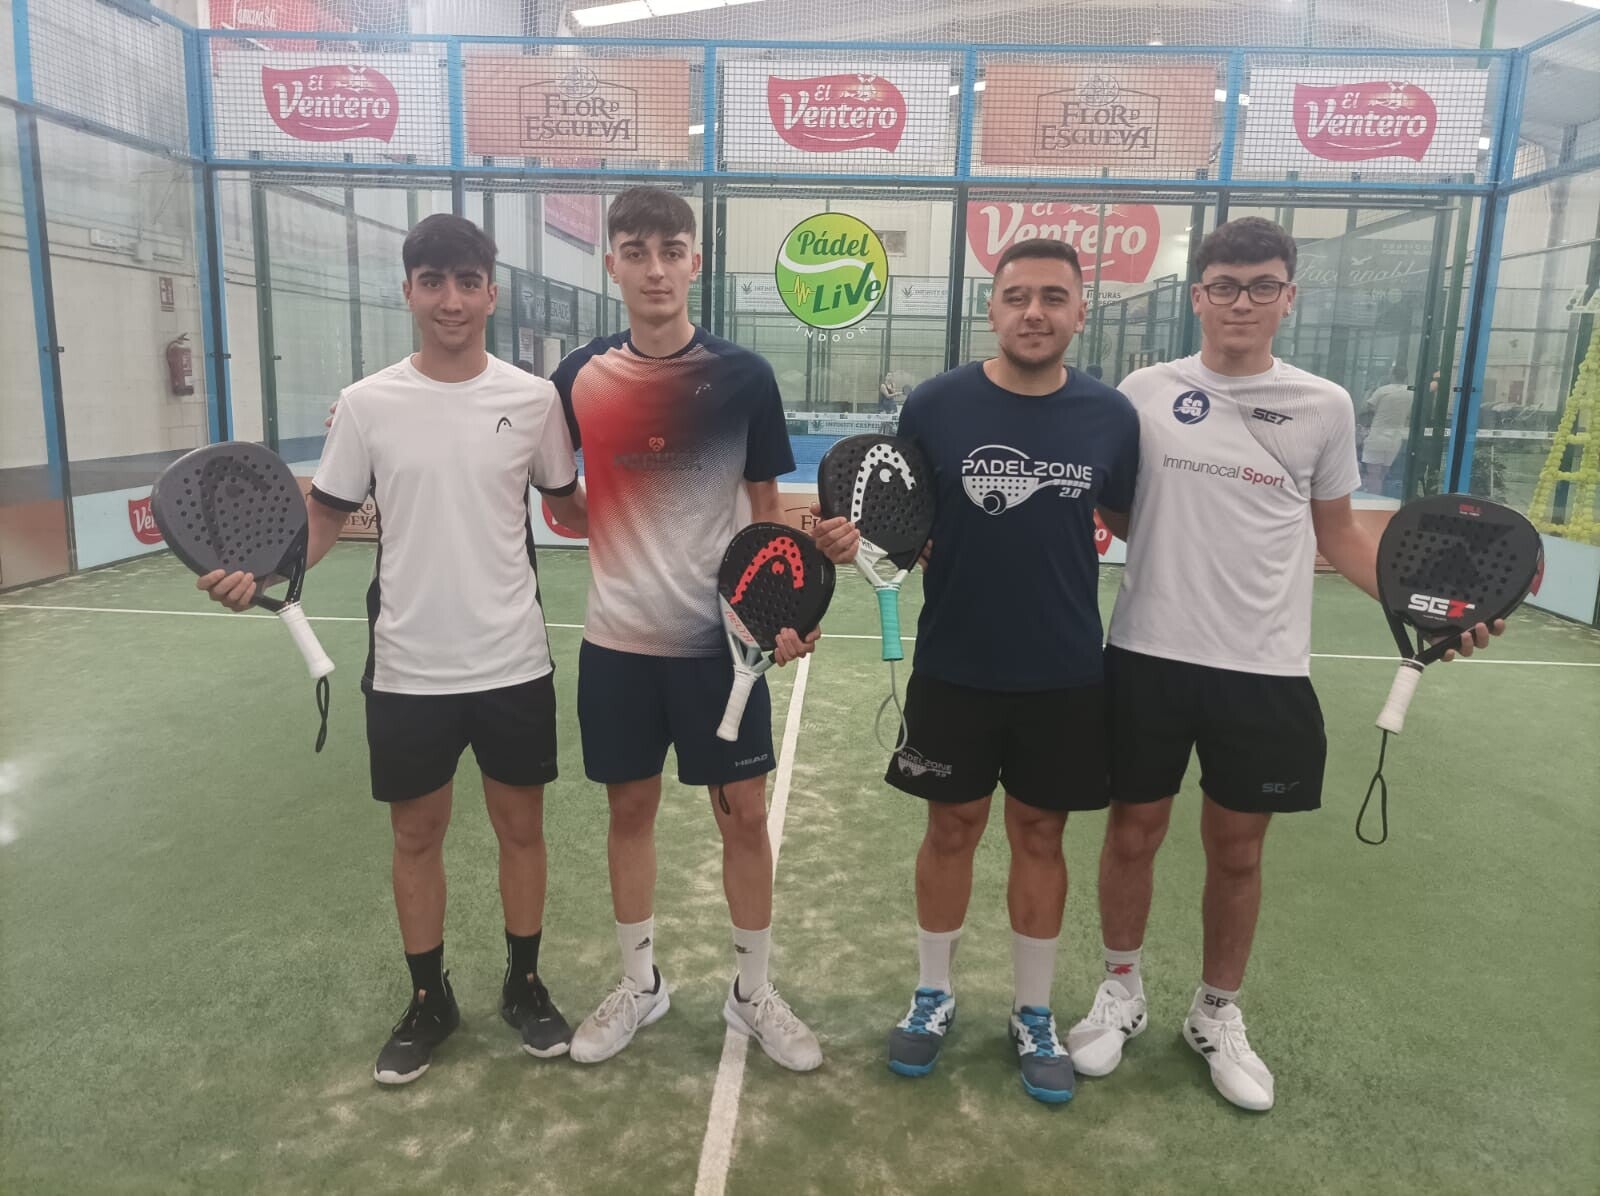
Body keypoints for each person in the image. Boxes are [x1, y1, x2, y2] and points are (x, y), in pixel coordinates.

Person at [1066, 217, 1500, 1112]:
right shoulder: (1143, 392)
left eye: (1263, 285)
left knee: (1238, 850)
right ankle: (1120, 991)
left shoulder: (1325, 406)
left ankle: (1215, 1013)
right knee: (1132, 832)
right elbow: (1112, 509)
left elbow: (1338, 533)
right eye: (1225, 286)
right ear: (1198, 296)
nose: (1243, 302)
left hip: (1264, 670)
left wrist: (1430, 612)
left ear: (1288, 297)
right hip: (1146, 654)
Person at [201, 214, 588, 1084]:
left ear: (492, 293)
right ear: (408, 291)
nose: (451, 299)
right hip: (410, 666)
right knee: (416, 835)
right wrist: (258, 573)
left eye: (467, 282)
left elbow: (568, 507)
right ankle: (428, 1000)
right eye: (432, 281)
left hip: (513, 659)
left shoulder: (535, 400)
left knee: (521, 829)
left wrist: (655, 506)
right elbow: (323, 519)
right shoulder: (367, 404)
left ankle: (525, 985)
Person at [814, 239, 1140, 1104]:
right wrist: (852, 542)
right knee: (951, 829)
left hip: (1065, 671)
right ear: (991, 309)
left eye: (1054, 297)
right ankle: (933, 996)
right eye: (1017, 295)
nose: (1035, 312)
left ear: (1080, 311)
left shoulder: (1110, 416)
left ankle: (1033, 1012)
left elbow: (1132, 517)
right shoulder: (937, 405)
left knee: (1041, 835)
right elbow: (899, 519)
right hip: (955, 663)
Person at [555, 187, 823, 1072]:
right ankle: (641, 985)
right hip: (617, 647)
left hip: (720, 650)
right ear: (612, 264)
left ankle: (753, 993)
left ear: (695, 263)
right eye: (636, 251)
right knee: (629, 811)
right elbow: (539, 473)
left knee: (743, 816)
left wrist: (780, 616)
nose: (655, 269)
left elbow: (765, 510)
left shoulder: (745, 377)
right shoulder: (577, 378)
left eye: (672, 251)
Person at [1360, 365, 1414, 495]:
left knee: (1373, 473)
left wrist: (1368, 392)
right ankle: (1380, 498)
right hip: (1396, 438)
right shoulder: (1411, 392)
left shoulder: (1382, 390)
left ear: (1392, 375)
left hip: (1378, 436)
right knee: (1383, 473)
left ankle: (1373, 500)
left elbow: (1365, 408)